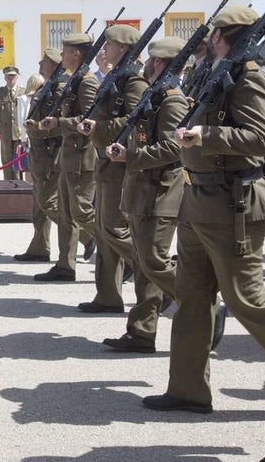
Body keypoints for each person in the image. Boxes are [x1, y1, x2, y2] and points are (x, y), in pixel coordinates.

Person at [144, 6, 265, 414]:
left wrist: (208, 135)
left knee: (246, 300)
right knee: (191, 300)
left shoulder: (247, 75)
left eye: (212, 32)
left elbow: (260, 138)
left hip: (232, 201)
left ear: (221, 35)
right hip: (199, 198)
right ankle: (187, 390)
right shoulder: (211, 72)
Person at [103, 36, 188, 353]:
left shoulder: (173, 101)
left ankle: (198, 302)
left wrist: (131, 156)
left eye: (155, 61)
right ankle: (141, 331)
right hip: (143, 189)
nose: (148, 65)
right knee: (143, 264)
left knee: (154, 261)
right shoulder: (155, 96)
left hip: (161, 190)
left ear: (166, 65)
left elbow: (172, 147)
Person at [79, 25, 147, 313]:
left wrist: (100, 127)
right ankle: (107, 295)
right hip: (104, 161)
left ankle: (161, 278)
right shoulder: (114, 77)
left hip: (120, 164)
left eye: (109, 44)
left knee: (114, 230)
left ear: (123, 48)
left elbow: (135, 121)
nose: (103, 50)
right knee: (105, 233)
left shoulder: (134, 82)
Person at [34, 33, 99, 282]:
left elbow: (90, 120)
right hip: (68, 154)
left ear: (77, 54)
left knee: (82, 212)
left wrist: (59, 122)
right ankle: (65, 264)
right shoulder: (75, 79)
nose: (61, 56)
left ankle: (121, 250)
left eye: (65, 51)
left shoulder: (87, 83)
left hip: (83, 156)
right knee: (65, 214)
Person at [17, 52, 63, 263]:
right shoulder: (47, 86)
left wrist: (37, 128)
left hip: (50, 153)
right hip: (39, 152)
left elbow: (60, 124)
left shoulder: (59, 88)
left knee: (47, 202)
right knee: (39, 204)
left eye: (44, 61)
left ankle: (88, 237)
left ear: (53, 65)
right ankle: (39, 247)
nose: (39, 63)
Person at [0, 66, 24, 181]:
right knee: (6, 159)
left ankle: (19, 183)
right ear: (5, 77)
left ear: (17, 77)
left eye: (13, 76)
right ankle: (7, 183)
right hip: (5, 132)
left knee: (19, 159)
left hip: (19, 132)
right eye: (9, 76)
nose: (11, 78)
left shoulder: (23, 92)